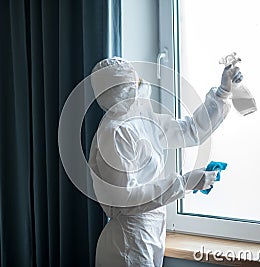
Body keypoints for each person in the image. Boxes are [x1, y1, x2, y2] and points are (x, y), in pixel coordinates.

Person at [88, 57, 242, 267]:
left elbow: (192, 130)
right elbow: (128, 199)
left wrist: (223, 91)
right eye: (132, 82)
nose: (139, 84)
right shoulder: (114, 133)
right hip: (128, 242)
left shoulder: (141, 121)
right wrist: (185, 183)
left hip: (148, 233)